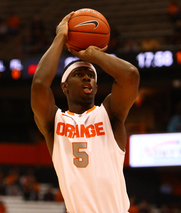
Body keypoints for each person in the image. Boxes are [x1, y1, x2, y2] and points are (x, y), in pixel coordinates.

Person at [31, 11, 140, 213]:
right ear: (64, 86)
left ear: (96, 87)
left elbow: (130, 76)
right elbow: (39, 84)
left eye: (91, 75)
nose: (86, 78)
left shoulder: (109, 114)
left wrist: (93, 55)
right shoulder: (54, 121)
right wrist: (60, 38)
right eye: (78, 74)